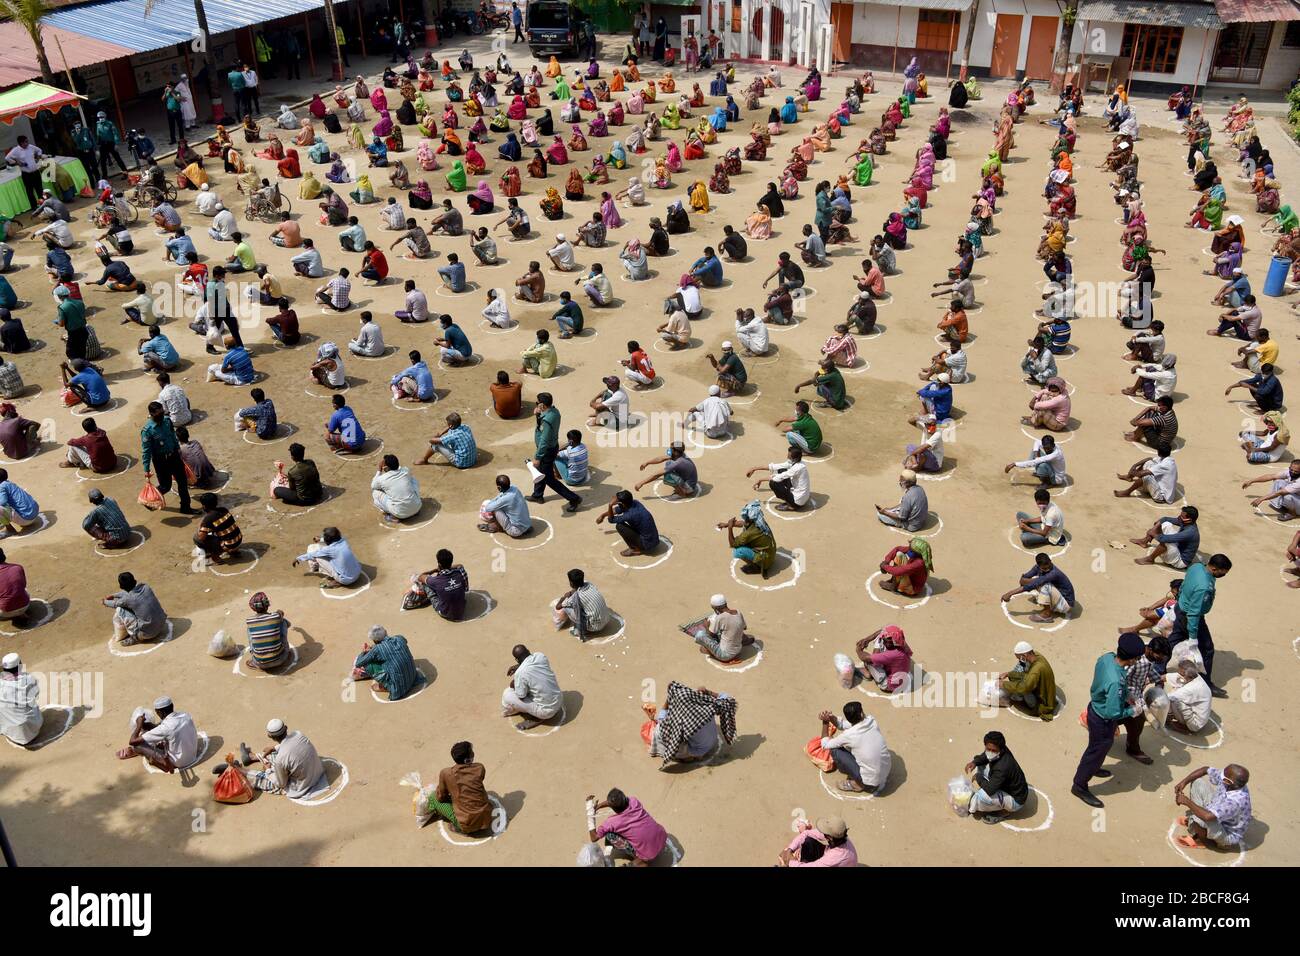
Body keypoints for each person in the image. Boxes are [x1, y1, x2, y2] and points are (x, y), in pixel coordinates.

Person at [1072, 633, 1145, 807]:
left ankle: (1094, 768)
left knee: (1098, 749)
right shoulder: (1116, 682)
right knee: (1096, 751)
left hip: (1095, 707)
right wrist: (1132, 710)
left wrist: (1126, 695)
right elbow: (1114, 713)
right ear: (1132, 659)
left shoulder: (1106, 658)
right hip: (1103, 719)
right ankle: (1079, 785)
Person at [1168, 555, 1232, 698]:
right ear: (1214, 568)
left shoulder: (1196, 567)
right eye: (1223, 572)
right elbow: (1194, 613)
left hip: (1180, 608)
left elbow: (1184, 585)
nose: (1223, 575)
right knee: (1207, 649)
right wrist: (1193, 637)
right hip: (1190, 616)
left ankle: (1162, 665)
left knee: (1175, 639)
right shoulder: (1204, 587)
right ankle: (1205, 683)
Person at [236, 719, 328, 799]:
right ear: (286, 728)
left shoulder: (280, 759)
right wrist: (274, 748)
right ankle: (252, 757)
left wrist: (268, 770)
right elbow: (291, 745)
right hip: (317, 773)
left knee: (265, 778)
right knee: (281, 755)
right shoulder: (298, 734)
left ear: (269, 736)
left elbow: (281, 784)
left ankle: (239, 770)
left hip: (301, 787)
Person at [1173, 764, 1252, 850]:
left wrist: (1186, 801)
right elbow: (1205, 769)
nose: (1220, 774)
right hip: (1219, 809)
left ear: (1228, 782)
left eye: (1223, 776)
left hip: (1226, 832)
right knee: (1197, 782)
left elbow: (1207, 817)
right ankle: (1198, 826)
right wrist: (1184, 782)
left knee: (1199, 818)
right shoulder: (1232, 781)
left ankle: (1204, 841)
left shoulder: (1235, 801)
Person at [818, 701, 891, 794]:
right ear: (861, 713)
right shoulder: (871, 720)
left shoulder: (849, 735)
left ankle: (858, 784)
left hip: (871, 781)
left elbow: (825, 745)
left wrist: (825, 722)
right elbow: (842, 725)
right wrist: (831, 717)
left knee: (835, 750)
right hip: (886, 770)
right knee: (853, 747)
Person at [114, 696, 198, 773]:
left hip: (179, 762)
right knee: (165, 733)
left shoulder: (165, 728)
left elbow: (133, 741)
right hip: (192, 755)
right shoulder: (185, 715)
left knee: (137, 746)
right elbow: (163, 727)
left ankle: (134, 751)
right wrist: (148, 725)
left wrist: (139, 725)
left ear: (159, 712)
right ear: (172, 706)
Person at [588, 787, 668, 866]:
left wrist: (589, 815)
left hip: (649, 854)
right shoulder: (634, 801)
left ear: (613, 808)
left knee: (610, 836)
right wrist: (599, 806)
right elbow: (615, 801)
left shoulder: (612, 822)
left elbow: (594, 838)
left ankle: (641, 860)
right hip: (662, 838)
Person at [140, 402, 193, 514]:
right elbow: (146, 451)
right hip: (161, 461)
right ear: (151, 414)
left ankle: (185, 507)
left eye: (162, 412)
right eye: (158, 413)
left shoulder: (167, 421)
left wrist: (178, 448)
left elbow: (172, 435)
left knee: (182, 482)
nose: (161, 415)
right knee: (166, 486)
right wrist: (146, 469)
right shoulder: (147, 431)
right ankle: (150, 500)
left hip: (173, 455)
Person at [963, 731, 1029, 818]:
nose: (990, 752)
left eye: (993, 750)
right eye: (988, 749)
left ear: (1001, 750)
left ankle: (1005, 811)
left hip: (1016, 800)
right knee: (980, 763)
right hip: (1007, 784)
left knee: (983, 796)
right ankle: (995, 793)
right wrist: (975, 762)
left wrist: (979, 777)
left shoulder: (1003, 767)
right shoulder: (1000, 748)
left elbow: (989, 790)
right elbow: (985, 756)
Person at [1002, 553, 1075, 624]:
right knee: (1037, 580)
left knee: (1044, 585)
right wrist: (1028, 581)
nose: (1047, 569)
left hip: (1065, 605)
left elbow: (1029, 584)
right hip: (1059, 598)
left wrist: (1010, 593)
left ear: (1050, 561)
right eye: (1044, 568)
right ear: (1038, 566)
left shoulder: (1054, 573)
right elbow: (1023, 579)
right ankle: (1049, 604)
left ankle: (1047, 615)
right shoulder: (1037, 568)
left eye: (1049, 566)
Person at [502, 644, 563, 729]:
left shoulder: (520, 673)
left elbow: (521, 696)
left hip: (546, 711)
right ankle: (536, 710)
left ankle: (510, 711)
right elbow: (530, 663)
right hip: (559, 700)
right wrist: (519, 667)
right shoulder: (540, 656)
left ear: (516, 659)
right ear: (528, 651)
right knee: (532, 686)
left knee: (507, 694)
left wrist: (514, 683)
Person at [351, 626, 419, 700]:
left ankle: (386, 686)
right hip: (413, 677)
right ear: (386, 632)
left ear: (374, 641)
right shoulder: (399, 638)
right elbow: (404, 641)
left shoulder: (377, 649)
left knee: (367, 664)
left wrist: (364, 652)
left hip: (398, 689)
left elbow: (358, 663)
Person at [104, 572, 169, 647]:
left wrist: (104, 602)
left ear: (121, 586)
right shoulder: (145, 587)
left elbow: (115, 604)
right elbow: (127, 593)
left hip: (148, 634)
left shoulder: (128, 599)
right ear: (134, 581)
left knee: (120, 609)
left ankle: (136, 637)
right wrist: (113, 595)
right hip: (162, 623)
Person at [996, 641, 1057, 720]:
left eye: (1020, 658)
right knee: (1016, 675)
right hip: (1044, 691)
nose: (1020, 661)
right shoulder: (1037, 655)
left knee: (1022, 689)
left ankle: (1023, 700)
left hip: (1043, 703)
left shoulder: (1035, 670)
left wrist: (1003, 684)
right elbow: (1025, 675)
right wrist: (1008, 674)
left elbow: (1024, 688)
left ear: (1025, 655)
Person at [1131, 506, 1200, 569]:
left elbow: (1165, 539)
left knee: (1166, 541)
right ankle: (1144, 541)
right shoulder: (1186, 522)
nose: (1179, 517)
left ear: (1189, 520)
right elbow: (1165, 519)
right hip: (1178, 548)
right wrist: (1157, 524)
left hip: (1180, 561)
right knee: (1165, 524)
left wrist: (1153, 533)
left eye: (1182, 516)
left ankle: (1150, 559)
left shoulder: (1190, 532)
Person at [688, 594, 751, 662]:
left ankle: (713, 652)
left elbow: (710, 635)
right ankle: (744, 640)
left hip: (725, 655)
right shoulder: (738, 612)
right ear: (725, 604)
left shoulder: (720, 618)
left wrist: (706, 626)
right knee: (734, 627)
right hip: (738, 649)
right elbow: (744, 627)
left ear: (715, 608)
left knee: (700, 635)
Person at [408, 549, 470, 619]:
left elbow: (420, 577)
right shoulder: (460, 572)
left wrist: (434, 570)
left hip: (445, 613)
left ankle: (423, 599)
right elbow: (460, 565)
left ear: (439, 564)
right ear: (451, 561)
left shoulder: (435, 581)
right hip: (461, 610)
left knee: (425, 584)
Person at [293, 527, 362, 589]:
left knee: (318, 557)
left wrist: (298, 558)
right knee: (336, 556)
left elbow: (313, 554)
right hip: (357, 573)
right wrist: (320, 540)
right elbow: (332, 540)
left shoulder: (329, 550)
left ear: (327, 539)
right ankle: (341, 576)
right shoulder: (343, 540)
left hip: (346, 580)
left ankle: (337, 581)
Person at [598, 489, 659, 557]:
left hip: (647, 543)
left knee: (620, 526)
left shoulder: (630, 515)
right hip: (653, 539)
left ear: (622, 504)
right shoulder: (635, 502)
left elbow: (611, 520)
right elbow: (616, 510)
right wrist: (603, 515)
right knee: (628, 524)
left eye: (617, 501)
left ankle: (635, 549)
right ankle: (639, 546)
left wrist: (610, 505)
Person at [778, 816, 858, 867]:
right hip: (828, 854)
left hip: (830, 860)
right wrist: (790, 849)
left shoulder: (835, 857)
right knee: (808, 841)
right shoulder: (839, 836)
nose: (822, 832)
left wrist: (790, 862)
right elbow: (807, 833)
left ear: (829, 837)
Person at [749, 446, 810, 511]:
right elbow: (776, 466)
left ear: (794, 458)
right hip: (801, 495)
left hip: (798, 501)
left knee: (773, 483)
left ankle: (792, 505)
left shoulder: (797, 468)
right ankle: (790, 498)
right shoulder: (798, 462)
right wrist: (755, 468)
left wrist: (760, 479)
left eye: (789, 456)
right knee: (781, 470)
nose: (787, 457)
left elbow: (778, 478)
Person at [0, 652, 42, 745]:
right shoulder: (28, 679)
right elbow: (36, 694)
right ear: (20, 665)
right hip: (31, 730)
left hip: (10, 731)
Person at [1113, 444, 1178, 503]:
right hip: (1159, 486)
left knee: (1146, 476)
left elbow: (1141, 474)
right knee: (1149, 462)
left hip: (1161, 496)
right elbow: (1149, 459)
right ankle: (1129, 477)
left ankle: (1127, 492)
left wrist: (1133, 471)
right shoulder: (1167, 458)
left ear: (1159, 452)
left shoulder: (1165, 465)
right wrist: (1135, 465)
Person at [371, 455, 421, 521]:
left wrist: (379, 470)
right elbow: (400, 469)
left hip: (400, 514)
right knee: (413, 480)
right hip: (417, 507)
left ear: (386, 468)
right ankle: (413, 508)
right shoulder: (406, 470)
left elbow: (373, 486)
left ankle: (394, 517)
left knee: (375, 493)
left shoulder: (382, 479)